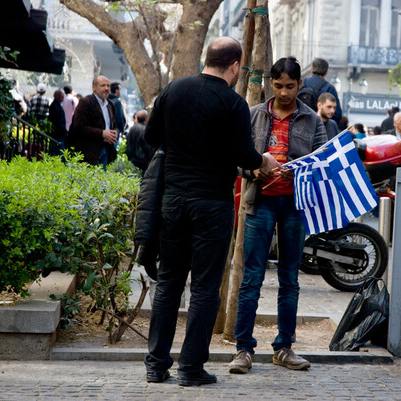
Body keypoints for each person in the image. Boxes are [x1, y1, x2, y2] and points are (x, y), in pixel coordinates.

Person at [142, 37, 278, 386]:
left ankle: (156, 366)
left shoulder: (173, 90)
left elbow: (151, 137)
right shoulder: (233, 104)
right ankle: (190, 369)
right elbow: (245, 156)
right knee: (204, 288)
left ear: (207, 58)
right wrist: (265, 160)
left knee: (169, 283)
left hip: (172, 201)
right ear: (235, 66)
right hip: (213, 206)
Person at [229, 56, 326, 375]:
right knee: (252, 277)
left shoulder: (313, 120)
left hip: (294, 207)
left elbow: (322, 165)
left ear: (300, 84)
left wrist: (297, 175)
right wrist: (254, 168)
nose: (284, 92)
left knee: (290, 278)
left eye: (290, 86)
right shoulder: (254, 115)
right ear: (271, 83)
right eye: (279, 85)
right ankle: (243, 350)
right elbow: (238, 160)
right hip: (260, 203)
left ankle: (284, 347)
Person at [68, 76, 118, 170]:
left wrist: (114, 132)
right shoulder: (86, 102)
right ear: (94, 87)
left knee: (101, 180)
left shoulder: (111, 105)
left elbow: (114, 124)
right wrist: (102, 133)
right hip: (88, 151)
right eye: (103, 85)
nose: (106, 88)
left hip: (106, 149)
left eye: (108, 86)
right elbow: (79, 127)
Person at [301, 58, 342, 125]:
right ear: (326, 72)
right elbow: (337, 114)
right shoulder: (329, 88)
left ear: (311, 69)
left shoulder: (301, 84)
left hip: (301, 125)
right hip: (321, 127)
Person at [125, 109, 155, 175]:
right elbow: (147, 146)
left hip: (132, 158)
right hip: (142, 159)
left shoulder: (133, 128)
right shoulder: (145, 129)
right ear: (146, 119)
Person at [47, 88, 66, 156]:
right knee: (59, 152)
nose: (63, 97)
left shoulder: (56, 105)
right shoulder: (55, 106)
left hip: (58, 133)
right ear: (57, 96)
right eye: (62, 95)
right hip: (58, 133)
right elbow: (58, 120)